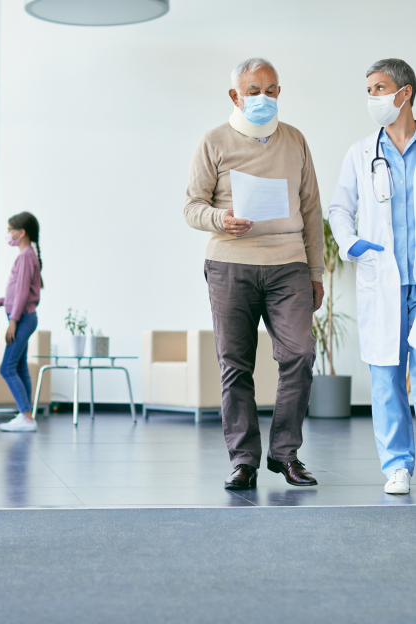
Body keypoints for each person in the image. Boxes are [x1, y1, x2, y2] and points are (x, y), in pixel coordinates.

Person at [184, 58, 324, 490]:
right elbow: (191, 206)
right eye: (253, 90)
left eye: (270, 89)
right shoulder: (214, 141)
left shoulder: (295, 140)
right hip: (230, 263)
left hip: (288, 265)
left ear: (279, 92)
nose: (263, 98)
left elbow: (312, 210)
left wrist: (316, 273)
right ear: (235, 96)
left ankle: (285, 454)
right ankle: (243, 460)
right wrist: (220, 219)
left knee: (299, 355)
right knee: (235, 365)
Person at [329, 58, 416, 495]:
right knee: (386, 376)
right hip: (383, 279)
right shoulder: (362, 152)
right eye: (369, 90)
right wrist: (350, 243)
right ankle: (398, 465)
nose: (373, 98)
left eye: (380, 88)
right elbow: (339, 208)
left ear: (405, 93)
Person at [0, 212, 43, 432]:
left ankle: (26, 417)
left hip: (22, 318)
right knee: (20, 367)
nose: (8, 234)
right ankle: (26, 415)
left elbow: (23, 293)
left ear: (21, 232)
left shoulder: (25, 256)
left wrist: (13, 321)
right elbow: (17, 294)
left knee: (7, 368)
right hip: (24, 316)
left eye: (9, 230)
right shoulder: (29, 255)